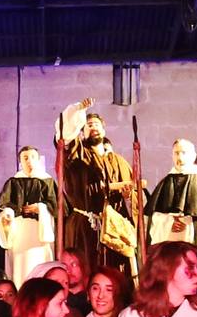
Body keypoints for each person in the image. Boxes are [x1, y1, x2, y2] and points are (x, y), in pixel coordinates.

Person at [58, 102, 137, 270]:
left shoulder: (119, 161)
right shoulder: (77, 155)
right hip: (85, 225)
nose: (93, 127)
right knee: (86, 267)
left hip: (114, 228)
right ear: (81, 131)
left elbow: (136, 194)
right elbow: (65, 137)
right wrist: (77, 111)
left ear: (104, 130)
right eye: (88, 125)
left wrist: (128, 196)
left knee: (114, 271)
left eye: (96, 124)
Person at [0, 146, 58, 284]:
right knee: (20, 269)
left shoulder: (47, 181)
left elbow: (57, 207)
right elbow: (5, 206)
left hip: (40, 232)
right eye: (25, 158)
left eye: (33, 157)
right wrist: (9, 214)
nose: (29, 161)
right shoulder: (13, 182)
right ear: (20, 161)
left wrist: (41, 208)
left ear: (38, 160)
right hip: (19, 232)